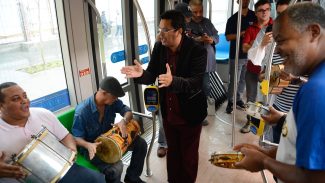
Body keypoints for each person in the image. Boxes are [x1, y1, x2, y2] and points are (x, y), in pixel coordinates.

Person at [234, 3, 325, 183]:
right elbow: (300, 149)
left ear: (314, 32)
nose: (277, 49)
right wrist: (283, 121)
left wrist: (264, 161)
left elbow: (313, 178)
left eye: (281, 40)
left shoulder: (315, 91)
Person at [121, 10, 207, 183]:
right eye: (159, 29)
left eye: (165, 30)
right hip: (169, 113)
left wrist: (173, 81)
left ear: (179, 30)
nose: (161, 34)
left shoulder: (196, 50)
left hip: (189, 114)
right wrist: (141, 74)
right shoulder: (160, 47)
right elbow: (152, 74)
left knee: (188, 157)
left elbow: (196, 82)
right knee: (173, 153)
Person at [0, 82, 105, 183]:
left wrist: (72, 151)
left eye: (24, 96)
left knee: (98, 180)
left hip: (62, 169)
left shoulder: (43, 114)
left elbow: (66, 136)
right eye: (16, 99)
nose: (24, 101)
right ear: (1, 106)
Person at [72, 76, 147, 183]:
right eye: (114, 96)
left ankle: (132, 177)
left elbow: (128, 111)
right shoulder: (82, 112)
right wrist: (88, 145)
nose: (116, 99)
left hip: (111, 139)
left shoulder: (112, 102)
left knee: (141, 144)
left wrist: (123, 121)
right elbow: (76, 138)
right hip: (93, 148)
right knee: (117, 167)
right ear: (104, 93)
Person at [241, 0, 272, 133]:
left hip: (268, 72)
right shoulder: (251, 29)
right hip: (252, 70)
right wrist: (257, 45)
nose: (264, 12)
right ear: (256, 12)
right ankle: (250, 122)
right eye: (261, 10)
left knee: (267, 98)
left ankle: (265, 125)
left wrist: (253, 46)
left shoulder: (276, 26)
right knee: (251, 98)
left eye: (267, 9)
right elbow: (244, 48)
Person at [187, 0, 219, 126]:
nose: (199, 14)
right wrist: (198, 40)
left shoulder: (207, 22)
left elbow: (216, 35)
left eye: (201, 11)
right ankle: (195, 114)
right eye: (195, 12)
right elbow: (185, 42)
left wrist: (212, 40)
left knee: (206, 88)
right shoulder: (187, 24)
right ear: (190, 11)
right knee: (195, 89)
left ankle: (202, 112)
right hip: (194, 64)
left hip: (207, 63)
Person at [225, 0, 257, 114]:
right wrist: (241, 34)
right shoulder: (233, 19)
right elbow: (228, 37)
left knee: (243, 80)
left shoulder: (254, 16)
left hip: (251, 55)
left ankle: (238, 99)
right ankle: (230, 102)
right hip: (236, 55)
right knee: (234, 80)